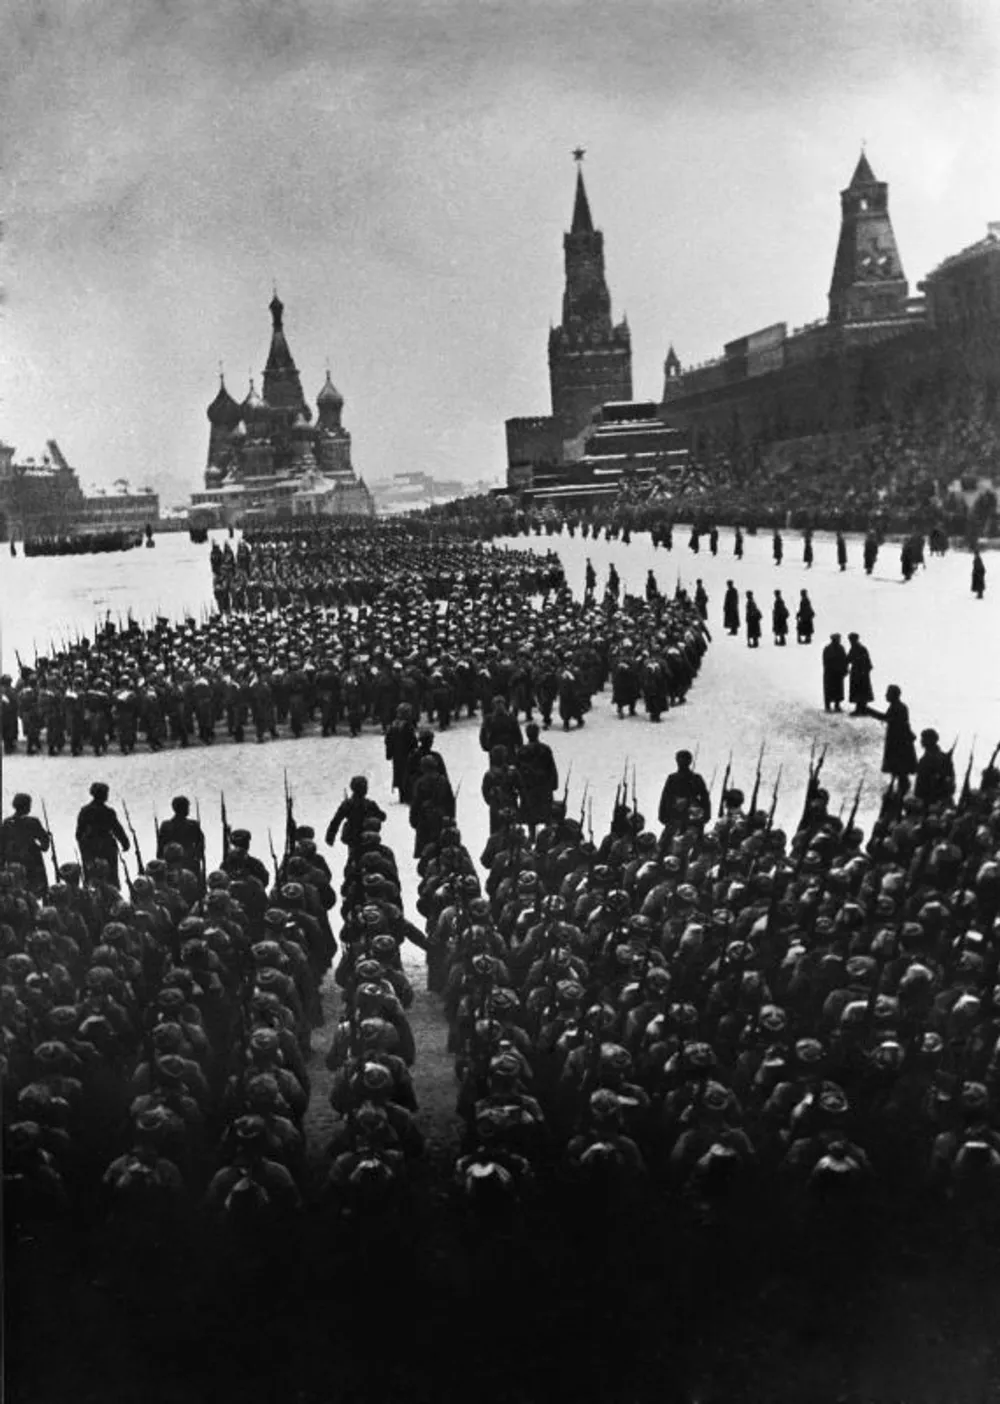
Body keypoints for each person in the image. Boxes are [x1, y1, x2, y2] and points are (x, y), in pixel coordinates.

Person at [75, 781, 130, 889]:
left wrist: (84, 847)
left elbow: (78, 834)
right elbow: (117, 830)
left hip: (90, 849)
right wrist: (125, 844)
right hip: (107, 848)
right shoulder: (108, 812)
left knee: (91, 878)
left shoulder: (85, 811)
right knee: (111, 878)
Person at [871, 684, 918, 799]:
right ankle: (900, 784)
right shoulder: (899, 706)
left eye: (888, 694)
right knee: (899, 765)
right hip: (899, 739)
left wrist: (871, 712)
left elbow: (889, 719)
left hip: (897, 740)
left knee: (898, 764)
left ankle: (902, 787)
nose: (886, 696)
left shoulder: (897, 707)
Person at [515, 722, 559, 839]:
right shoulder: (545, 749)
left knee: (530, 813)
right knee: (546, 812)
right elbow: (551, 767)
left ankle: (532, 835)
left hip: (528, 787)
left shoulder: (522, 751)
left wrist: (519, 786)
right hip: (544, 785)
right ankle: (548, 835)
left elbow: (518, 770)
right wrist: (553, 784)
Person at [1, 793, 51, 895]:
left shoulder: (7, 822)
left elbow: (2, 847)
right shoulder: (33, 822)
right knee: (37, 892)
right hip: (33, 865)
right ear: (26, 806)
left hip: (14, 866)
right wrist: (38, 847)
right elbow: (45, 844)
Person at [325, 776, 387, 850]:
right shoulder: (370, 804)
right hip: (367, 837)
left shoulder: (348, 804)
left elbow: (336, 821)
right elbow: (383, 817)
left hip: (352, 837)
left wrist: (330, 837)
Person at [658, 750, 711, 826]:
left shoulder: (696, 778)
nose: (681, 762)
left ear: (689, 761)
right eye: (679, 759)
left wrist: (705, 816)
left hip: (693, 815)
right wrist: (663, 816)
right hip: (675, 815)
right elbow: (665, 798)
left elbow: (705, 798)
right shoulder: (672, 778)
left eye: (684, 759)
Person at [156, 796, 206, 875]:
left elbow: (160, 850)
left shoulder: (166, 825)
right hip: (189, 864)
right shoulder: (193, 825)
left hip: (171, 865)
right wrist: (197, 857)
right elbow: (200, 844)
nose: (188, 810)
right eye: (187, 807)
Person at [914, 729, 956, 807]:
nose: (921, 741)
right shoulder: (924, 759)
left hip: (935, 801)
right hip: (926, 800)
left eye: (924, 739)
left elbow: (950, 781)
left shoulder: (940, 758)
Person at [846, 633, 874, 717]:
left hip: (860, 673)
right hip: (858, 673)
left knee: (860, 690)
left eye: (851, 640)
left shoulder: (861, 648)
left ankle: (861, 709)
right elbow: (848, 659)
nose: (850, 641)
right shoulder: (855, 648)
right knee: (859, 691)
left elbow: (867, 661)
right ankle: (860, 708)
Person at [822, 634, 848, 713]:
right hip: (830, 673)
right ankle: (828, 706)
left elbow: (844, 660)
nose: (838, 640)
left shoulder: (841, 648)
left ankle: (837, 705)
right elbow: (825, 661)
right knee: (829, 690)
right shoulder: (828, 649)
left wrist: (845, 670)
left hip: (838, 673)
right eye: (837, 639)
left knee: (838, 690)